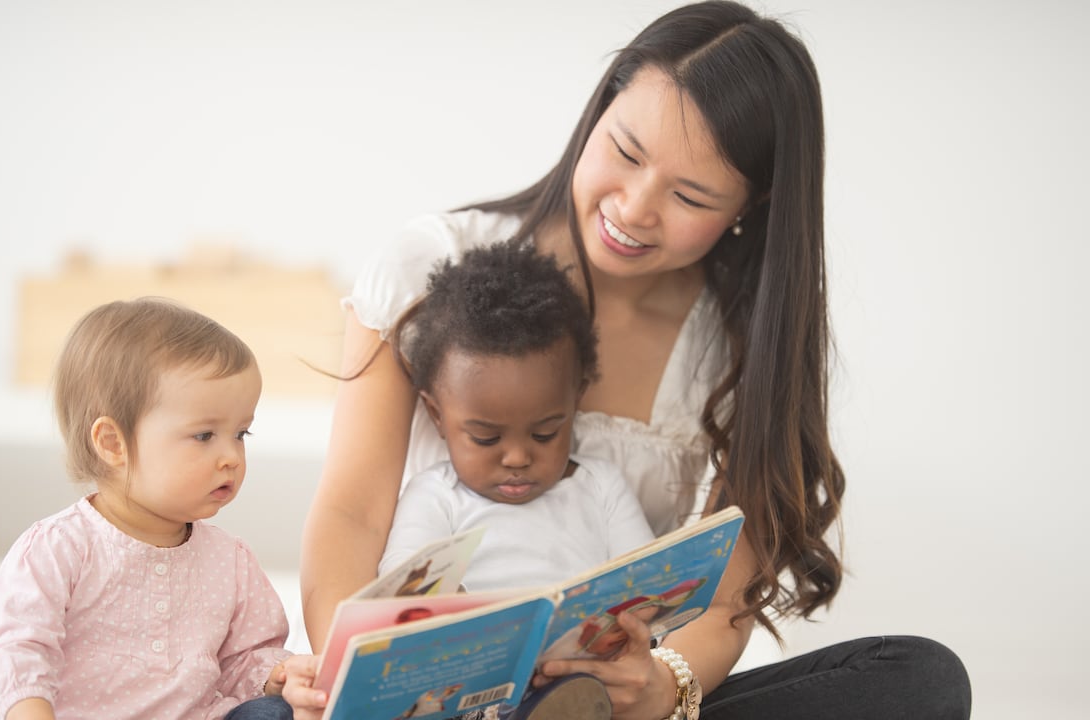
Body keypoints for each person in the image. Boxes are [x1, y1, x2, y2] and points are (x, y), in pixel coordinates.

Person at [293, 1, 972, 719]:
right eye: (625, 151)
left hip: (606, 705)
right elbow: (351, 514)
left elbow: (723, 603)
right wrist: (363, 687)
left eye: (689, 196)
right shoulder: (431, 266)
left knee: (920, 677)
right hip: (436, 700)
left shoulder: (742, 341)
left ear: (750, 205)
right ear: (599, 113)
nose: (635, 208)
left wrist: (662, 687)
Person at [0, 298, 308, 720]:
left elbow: (244, 661)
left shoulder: (231, 560)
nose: (231, 457)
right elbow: (20, 653)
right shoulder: (58, 549)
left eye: (241, 434)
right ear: (112, 444)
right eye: (205, 436)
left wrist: (277, 675)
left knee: (278, 711)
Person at [377, 241, 656, 593]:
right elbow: (402, 579)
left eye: (544, 434)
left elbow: (648, 579)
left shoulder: (601, 487)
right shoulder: (436, 496)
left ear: (575, 401)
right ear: (436, 415)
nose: (517, 458)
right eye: (486, 438)